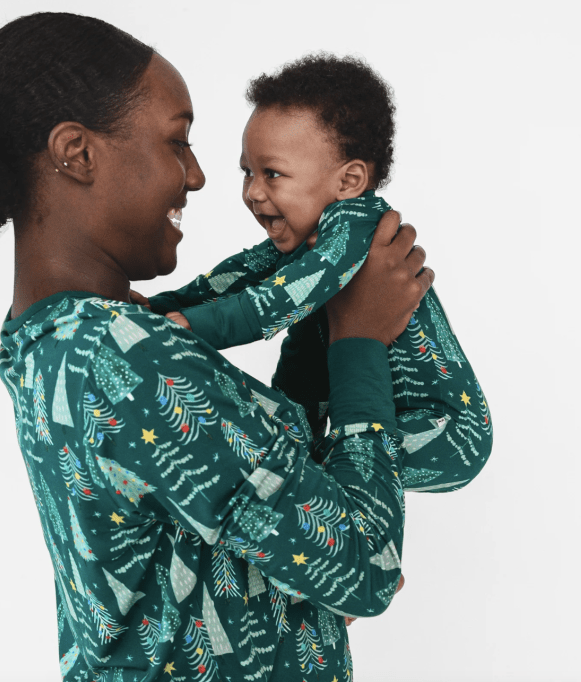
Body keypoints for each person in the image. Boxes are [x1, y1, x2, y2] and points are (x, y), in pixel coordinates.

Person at [0, 13, 430, 682]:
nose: (196, 177)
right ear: (77, 152)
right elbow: (365, 572)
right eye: (177, 141)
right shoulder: (127, 357)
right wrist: (360, 340)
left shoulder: (51, 335)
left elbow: (256, 514)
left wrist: (317, 315)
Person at [150, 54, 492, 491]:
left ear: (348, 182)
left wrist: (194, 327)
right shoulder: (308, 233)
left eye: (272, 174)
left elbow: (280, 298)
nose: (253, 192)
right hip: (361, 396)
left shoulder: (356, 225)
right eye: (247, 173)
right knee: (291, 429)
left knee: (320, 467)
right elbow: (242, 273)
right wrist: (162, 306)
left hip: (445, 431)